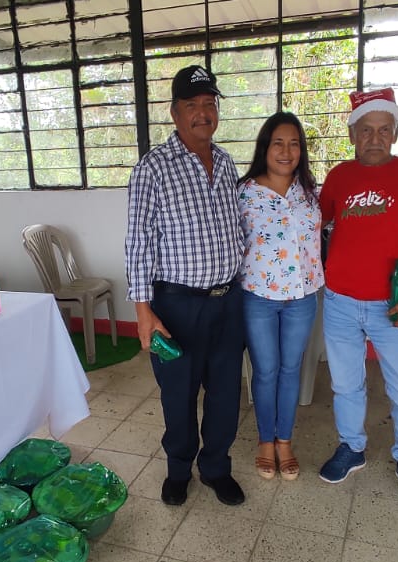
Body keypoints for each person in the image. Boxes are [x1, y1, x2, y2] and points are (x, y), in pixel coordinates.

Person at [124, 65, 246, 506]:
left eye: (209, 103)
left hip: (228, 301)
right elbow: (138, 241)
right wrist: (143, 311)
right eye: (191, 104)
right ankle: (178, 469)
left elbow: (238, 229)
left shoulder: (227, 163)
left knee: (225, 393)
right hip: (176, 306)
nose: (202, 113)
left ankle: (215, 468)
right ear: (174, 113)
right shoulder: (153, 168)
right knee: (178, 395)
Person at [315, 88, 398, 505]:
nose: (375, 138)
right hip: (340, 301)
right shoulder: (339, 177)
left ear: (395, 133)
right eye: (366, 130)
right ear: (353, 135)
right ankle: (352, 447)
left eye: (384, 130)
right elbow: (313, 226)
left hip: (394, 304)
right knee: (346, 385)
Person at [237, 111, 323, 481]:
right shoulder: (243, 193)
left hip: (302, 297)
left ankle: (284, 441)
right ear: (265, 148)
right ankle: (264, 442)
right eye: (278, 143)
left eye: (294, 144)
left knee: (291, 369)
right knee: (266, 370)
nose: (286, 151)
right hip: (258, 296)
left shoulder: (310, 193)